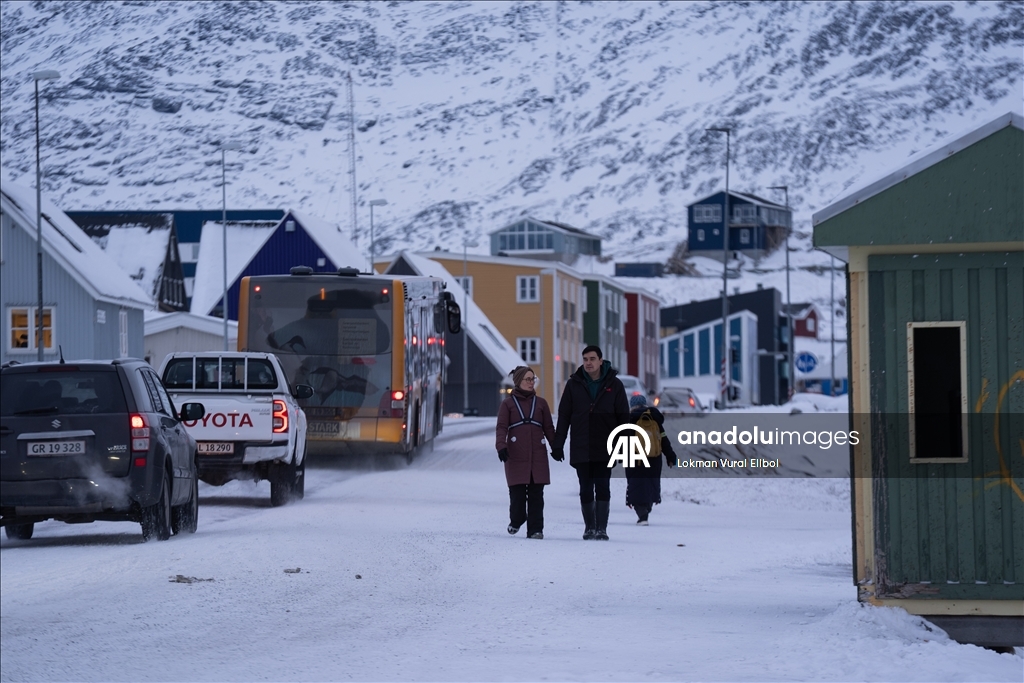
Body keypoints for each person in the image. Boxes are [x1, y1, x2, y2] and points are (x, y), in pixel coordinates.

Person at [552, 345, 629, 540]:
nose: (588, 362)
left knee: (603, 486)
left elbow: (623, 418)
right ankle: (589, 527)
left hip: (607, 445)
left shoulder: (615, 385)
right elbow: (564, 416)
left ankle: (601, 528)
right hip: (581, 445)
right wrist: (558, 444)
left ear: (601, 361)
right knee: (585, 487)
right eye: (585, 359)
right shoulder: (574, 385)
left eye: (592, 359)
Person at [495, 366, 558, 539]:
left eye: (533, 379)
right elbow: (501, 428)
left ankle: (536, 529)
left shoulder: (541, 404)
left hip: (537, 455)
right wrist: (501, 446)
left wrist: (556, 446)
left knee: (537, 495)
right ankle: (517, 519)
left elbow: (548, 428)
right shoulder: (507, 405)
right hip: (516, 455)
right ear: (518, 382)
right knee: (518, 496)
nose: (531, 383)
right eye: (528, 379)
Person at [624, 393, 676, 525]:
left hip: (635, 458)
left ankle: (642, 515)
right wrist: (670, 456)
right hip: (654, 458)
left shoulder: (630, 419)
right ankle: (647, 508)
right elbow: (664, 439)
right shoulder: (655, 419)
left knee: (636, 485)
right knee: (650, 484)